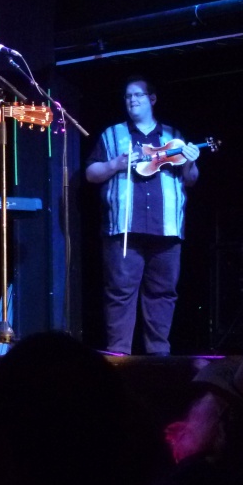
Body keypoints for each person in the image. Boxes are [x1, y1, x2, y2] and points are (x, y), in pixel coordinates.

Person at [85, 76, 200, 356]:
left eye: (137, 95)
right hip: (124, 226)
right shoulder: (113, 135)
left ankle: (159, 356)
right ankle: (119, 355)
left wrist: (191, 161)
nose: (132, 100)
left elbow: (191, 179)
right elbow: (91, 174)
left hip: (167, 227)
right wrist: (115, 164)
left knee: (162, 294)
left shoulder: (173, 136)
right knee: (120, 293)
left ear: (152, 99)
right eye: (127, 96)